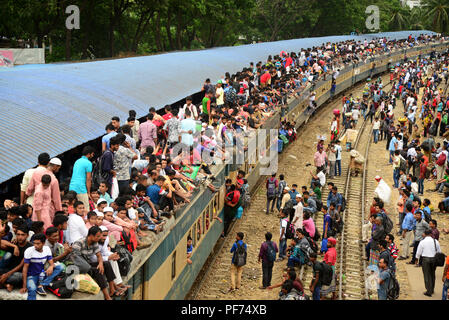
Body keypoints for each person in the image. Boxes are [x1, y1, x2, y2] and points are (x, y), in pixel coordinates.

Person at [69, 226, 116, 300]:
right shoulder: (79, 243)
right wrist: (97, 266)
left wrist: (100, 263)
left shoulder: (94, 242)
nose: (99, 238)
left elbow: (99, 255)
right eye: (98, 236)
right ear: (91, 236)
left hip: (87, 264)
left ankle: (112, 289)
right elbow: (74, 259)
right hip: (79, 267)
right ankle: (107, 296)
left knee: (106, 263)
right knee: (97, 270)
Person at [20, 233, 63, 300]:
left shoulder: (47, 249)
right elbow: (25, 269)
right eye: (34, 243)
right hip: (32, 276)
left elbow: (51, 262)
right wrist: (24, 286)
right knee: (32, 289)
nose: (35, 245)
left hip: (42, 274)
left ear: (43, 243)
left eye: (38, 244)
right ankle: (39, 286)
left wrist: (51, 266)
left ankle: (41, 285)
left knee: (60, 267)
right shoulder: (29, 251)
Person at [415, 229, 442, 297]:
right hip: (433, 259)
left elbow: (418, 252)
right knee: (432, 274)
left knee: (426, 275)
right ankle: (432, 289)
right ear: (430, 234)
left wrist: (416, 259)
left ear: (425, 234)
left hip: (425, 259)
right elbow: (439, 251)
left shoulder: (422, 242)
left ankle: (428, 291)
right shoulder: (435, 241)